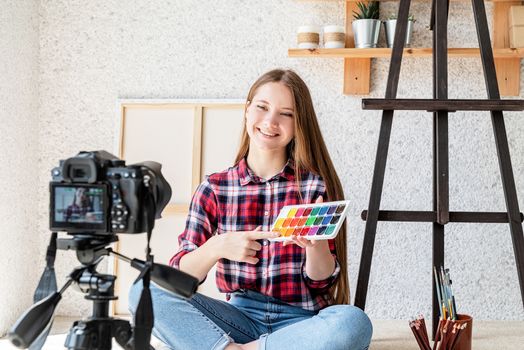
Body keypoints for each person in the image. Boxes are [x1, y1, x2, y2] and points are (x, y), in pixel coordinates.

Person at [129, 69, 372, 350]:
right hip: (238, 319)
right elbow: (180, 277)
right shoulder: (215, 188)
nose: (271, 121)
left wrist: (314, 246)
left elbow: (321, 281)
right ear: (247, 110)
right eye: (262, 107)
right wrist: (218, 246)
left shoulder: (313, 186)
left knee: (353, 322)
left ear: (298, 124)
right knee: (144, 288)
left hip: (301, 324)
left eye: (287, 114)